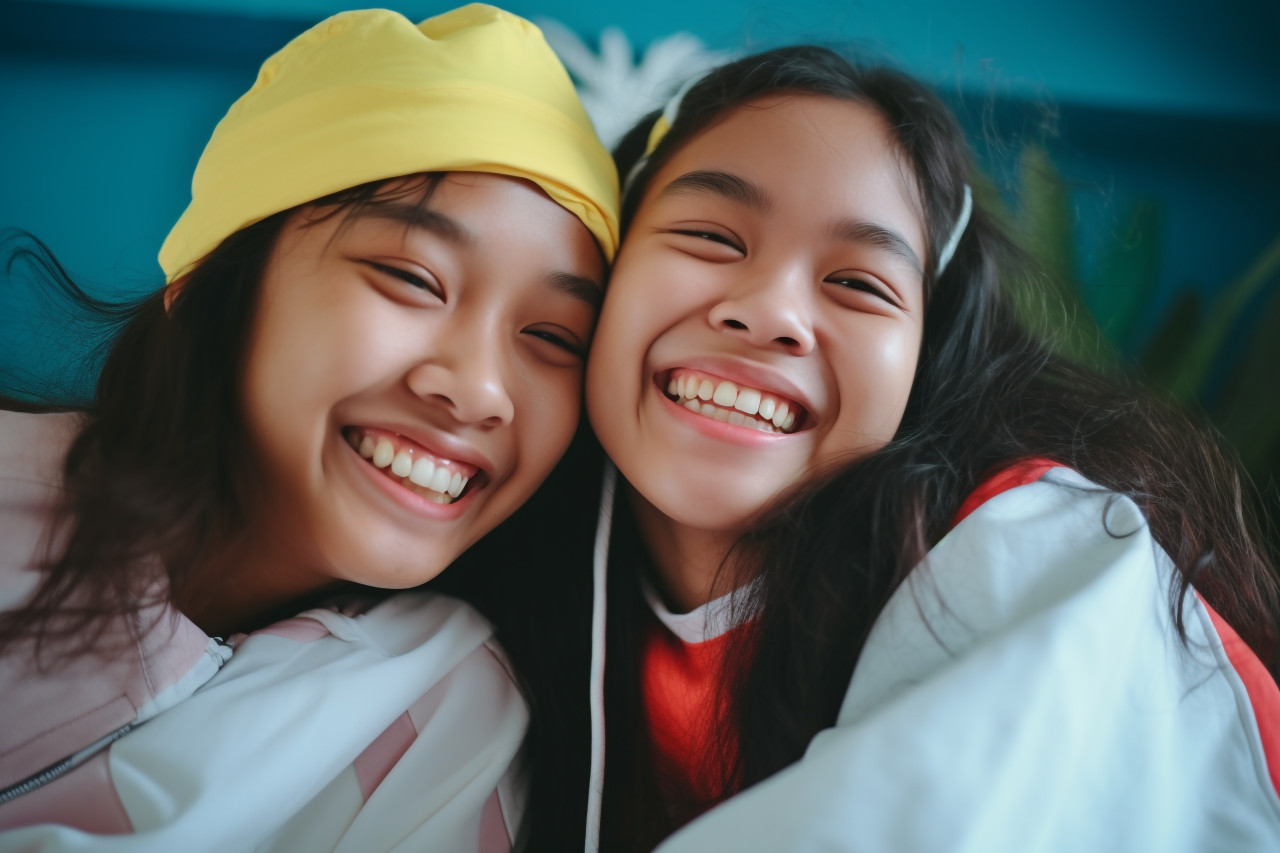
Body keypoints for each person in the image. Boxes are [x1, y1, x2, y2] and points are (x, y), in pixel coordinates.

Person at [579, 46, 1280, 852]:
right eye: (709, 236)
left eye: (859, 283)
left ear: (928, 356)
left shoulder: (1036, 544)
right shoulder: (533, 567)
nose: (771, 312)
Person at [0, 5, 618, 851]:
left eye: (553, 337)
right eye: (413, 278)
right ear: (213, 282)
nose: (480, 389)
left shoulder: (446, 720)